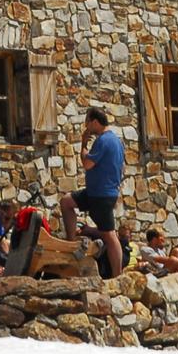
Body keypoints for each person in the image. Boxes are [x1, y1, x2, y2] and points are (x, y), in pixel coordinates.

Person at [60, 107, 125, 277]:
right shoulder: (116, 140)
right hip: (97, 192)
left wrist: (83, 144)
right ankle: (72, 241)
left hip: (101, 195)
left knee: (109, 236)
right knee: (67, 201)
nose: (87, 126)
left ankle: (118, 276)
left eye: (88, 122)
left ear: (95, 122)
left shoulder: (103, 141)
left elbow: (87, 163)